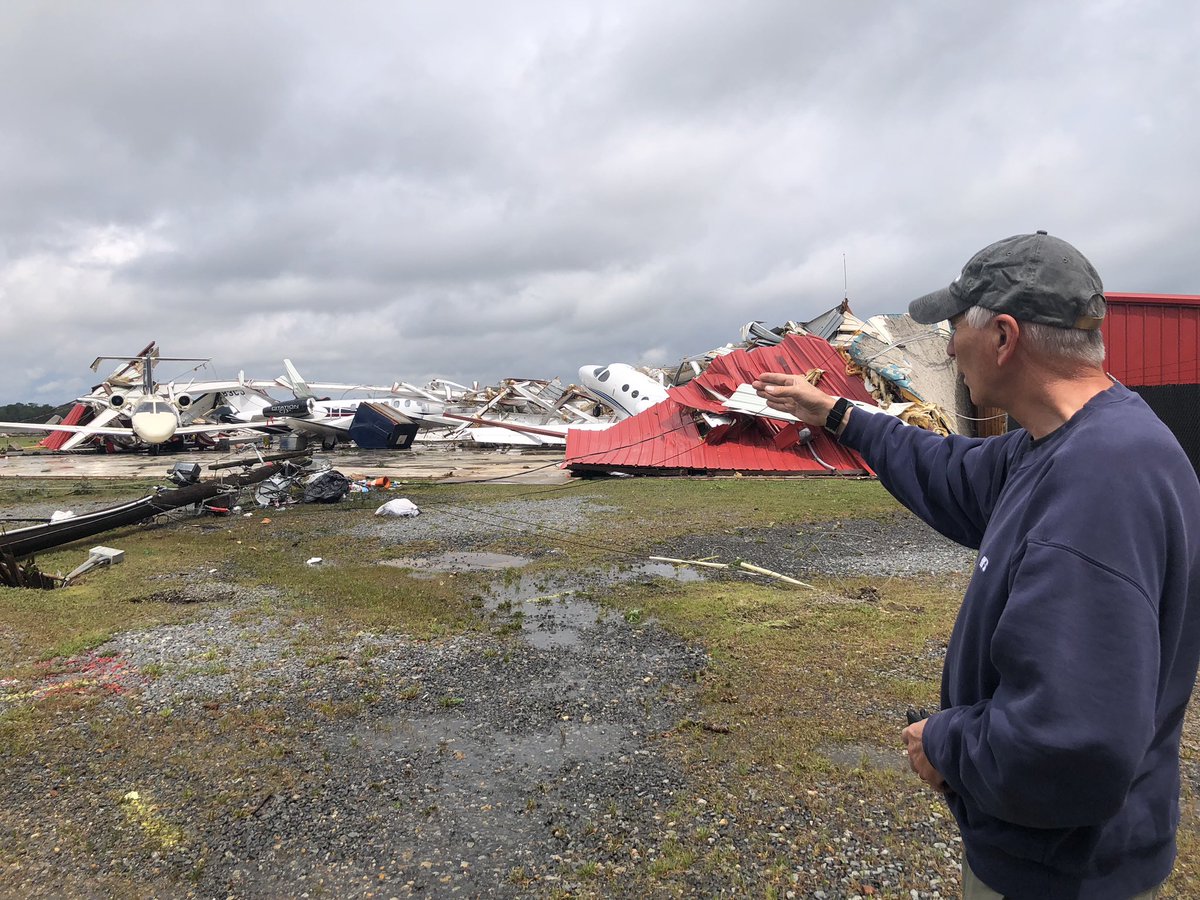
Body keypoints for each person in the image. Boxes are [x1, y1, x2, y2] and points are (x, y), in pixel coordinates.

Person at [753, 231, 1200, 899]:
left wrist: (946, 744)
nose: (948, 344)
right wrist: (840, 415)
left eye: (956, 325)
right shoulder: (1067, 443)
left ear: (1004, 338)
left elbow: (1073, 741)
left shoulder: (1097, 488)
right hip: (1062, 851)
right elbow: (954, 473)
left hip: (1063, 874)